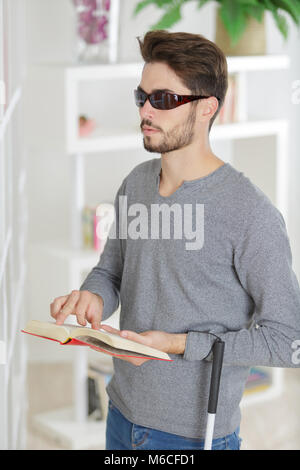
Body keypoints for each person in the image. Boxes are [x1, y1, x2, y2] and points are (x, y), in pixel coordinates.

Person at [50, 30, 300, 450]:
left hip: (193, 436)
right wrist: (92, 297)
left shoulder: (250, 213)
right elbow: (112, 271)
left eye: (163, 99)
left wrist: (180, 345)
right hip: (121, 413)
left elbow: (288, 341)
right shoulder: (136, 184)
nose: (146, 111)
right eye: (142, 97)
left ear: (207, 109)